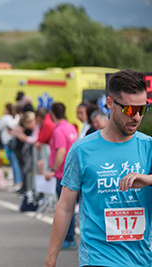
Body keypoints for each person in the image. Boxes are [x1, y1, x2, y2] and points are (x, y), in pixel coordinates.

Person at [44, 69, 152, 267]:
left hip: (141, 259)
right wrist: (50, 260)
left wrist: (149, 179)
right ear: (110, 104)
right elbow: (66, 207)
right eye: (129, 109)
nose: (136, 117)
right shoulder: (82, 150)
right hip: (97, 258)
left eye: (142, 109)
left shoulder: (149, 147)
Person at [45, 102, 78, 250]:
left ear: (53, 114)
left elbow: (61, 151)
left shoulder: (58, 130)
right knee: (71, 207)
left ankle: (69, 237)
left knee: (65, 208)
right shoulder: (71, 127)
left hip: (62, 173)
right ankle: (70, 236)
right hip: (72, 171)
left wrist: (53, 169)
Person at [0, 103, 22, 191]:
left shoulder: (6, 118)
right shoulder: (16, 117)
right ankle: (17, 181)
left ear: (7, 110)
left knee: (13, 162)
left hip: (8, 142)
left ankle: (17, 182)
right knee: (15, 162)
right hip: (14, 142)